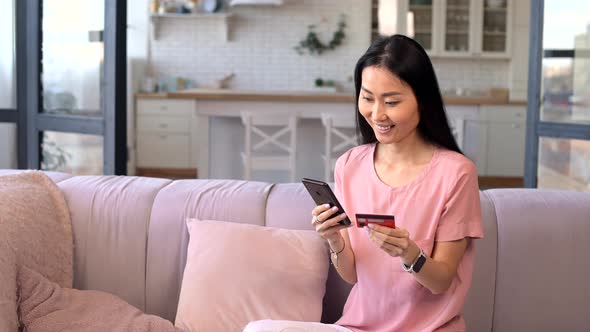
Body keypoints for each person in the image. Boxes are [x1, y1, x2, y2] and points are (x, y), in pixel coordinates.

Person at [244, 34, 483, 332]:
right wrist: (334, 240)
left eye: (392, 101)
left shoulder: (456, 174)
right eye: (368, 98)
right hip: (358, 327)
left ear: (423, 100)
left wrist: (409, 252)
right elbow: (353, 275)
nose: (377, 114)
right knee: (259, 329)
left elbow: (442, 281)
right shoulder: (350, 165)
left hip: (428, 329)